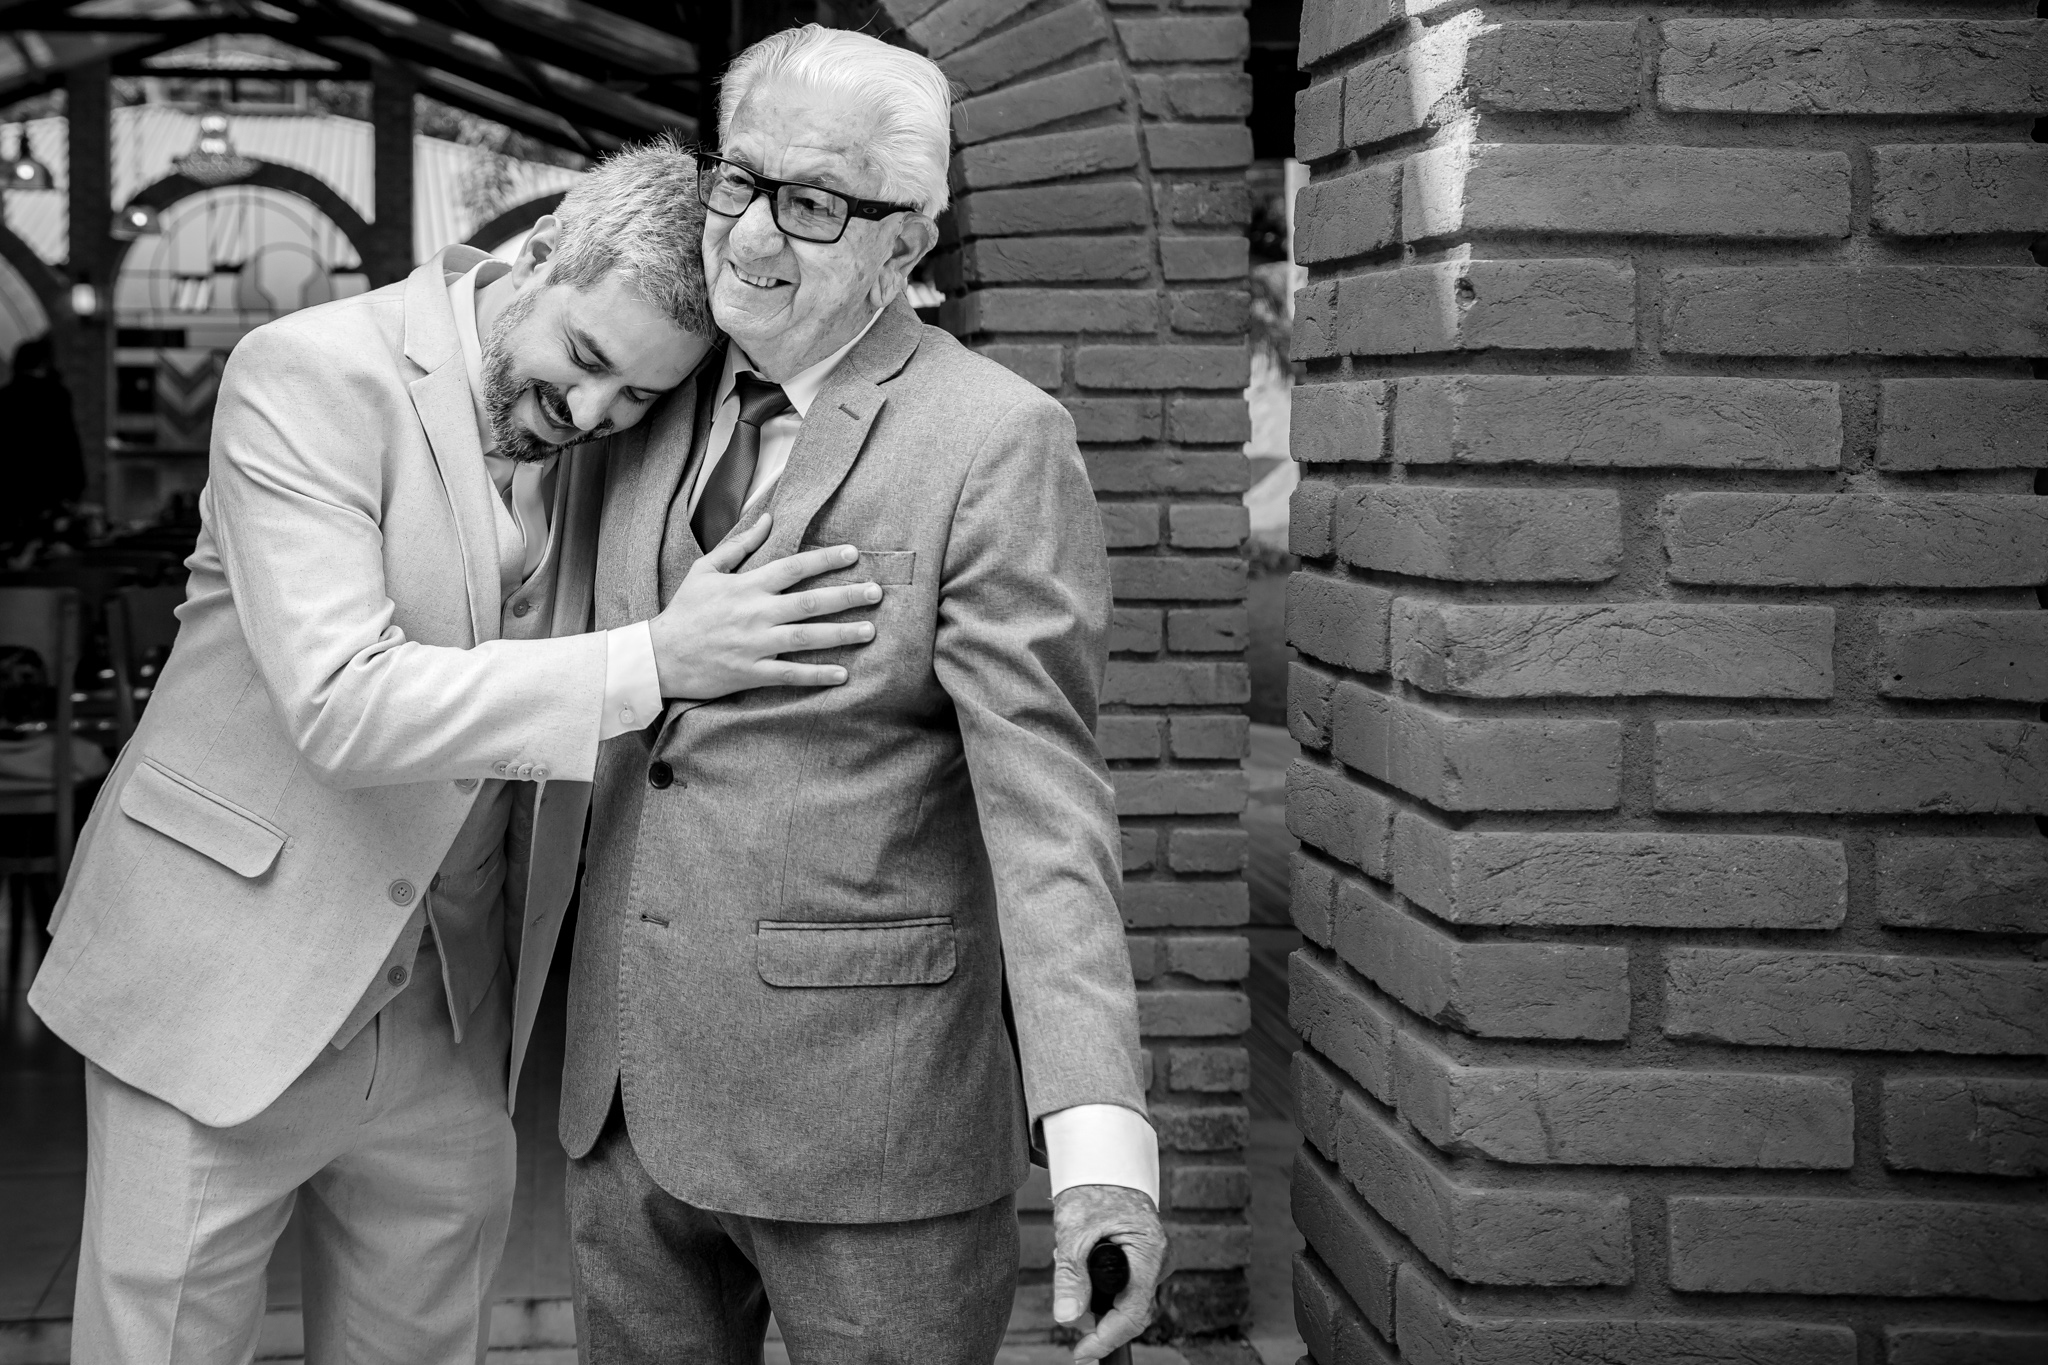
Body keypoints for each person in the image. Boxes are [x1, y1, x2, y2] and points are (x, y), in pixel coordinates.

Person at [30, 140, 881, 1365]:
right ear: (538, 254)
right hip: (223, 978)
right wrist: (654, 659)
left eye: (635, 398)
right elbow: (343, 703)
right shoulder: (310, 372)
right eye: (585, 358)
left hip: (451, 1008)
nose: (589, 414)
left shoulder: (610, 439)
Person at [560, 27, 1167, 1365]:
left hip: (871, 1124)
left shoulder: (995, 438)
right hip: (624, 1098)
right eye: (739, 179)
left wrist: (1098, 1147)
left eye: (815, 204)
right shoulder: (649, 388)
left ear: (906, 243)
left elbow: (1044, 806)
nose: (751, 235)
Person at [0, 335, 85, 544]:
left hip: (11, 491)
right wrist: (73, 489)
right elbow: (68, 445)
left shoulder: (5, 397)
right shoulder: (56, 396)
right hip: (50, 492)